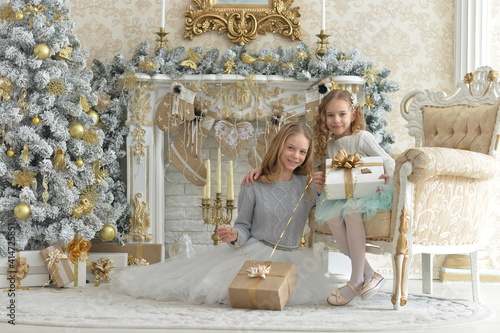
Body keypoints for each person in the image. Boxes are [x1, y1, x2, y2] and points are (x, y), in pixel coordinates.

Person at [110, 122, 333, 306]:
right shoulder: (253, 183)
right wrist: (234, 234)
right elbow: (244, 226)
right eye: (290, 148)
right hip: (254, 253)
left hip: (293, 257)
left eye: (302, 151)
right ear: (279, 147)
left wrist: (322, 194)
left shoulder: (310, 185)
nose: (296, 156)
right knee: (207, 289)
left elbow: (324, 220)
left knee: (296, 296)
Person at [243, 90, 394, 306]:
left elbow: (389, 161)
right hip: (345, 193)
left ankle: (356, 279)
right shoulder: (331, 145)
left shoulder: (362, 137)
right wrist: (265, 167)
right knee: (331, 216)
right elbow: (302, 165)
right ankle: (370, 273)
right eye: (330, 115)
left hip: (369, 192)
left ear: (353, 114)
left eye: (342, 114)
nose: (336, 120)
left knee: (351, 212)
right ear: (323, 116)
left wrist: (388, 178)